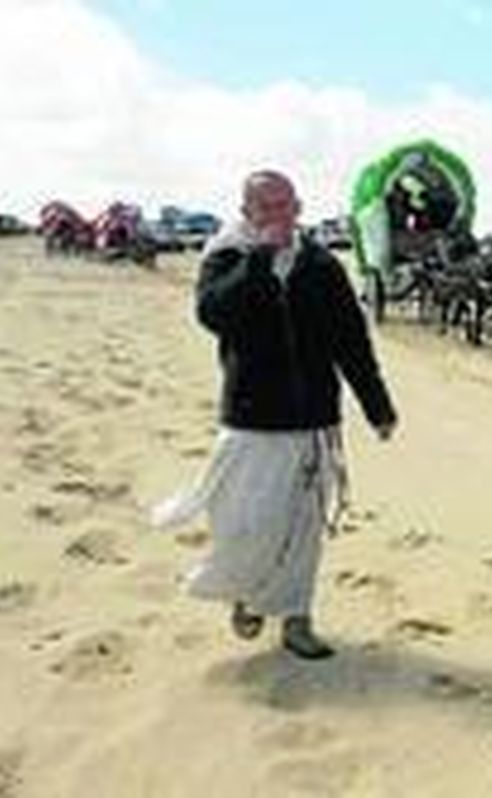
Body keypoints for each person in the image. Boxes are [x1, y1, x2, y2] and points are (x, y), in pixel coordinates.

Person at [153, 170, 397, 660]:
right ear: (247, 212)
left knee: (303, 528)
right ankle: (245, 595)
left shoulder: (320, 263)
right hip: (251, 420)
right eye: (266, 207)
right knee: (248, 523)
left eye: (286, 205)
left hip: (312, 422)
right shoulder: (227, 257)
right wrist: (261, 258)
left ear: (299, 207)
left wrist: (377, 406)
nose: (279, 216)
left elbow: (350, 341)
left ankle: (297, 619)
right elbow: (214, 314)